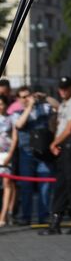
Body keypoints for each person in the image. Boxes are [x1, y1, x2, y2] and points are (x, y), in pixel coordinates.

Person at [40, 76, 71, 235]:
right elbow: (56, 106)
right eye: (61, 88)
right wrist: (45, 97)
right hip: (64, 149)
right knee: (61, 186)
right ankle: (56, 222)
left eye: (66, 88)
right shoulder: (65, 104)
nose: (63, 90)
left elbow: (69, 129)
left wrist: (54, 143)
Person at [12, 85, 56, 225]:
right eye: (23, 97)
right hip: (27, 154)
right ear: (19, 99)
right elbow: (19, 125)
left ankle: (43, 216)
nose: (27, 99)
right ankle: (26, 216)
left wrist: (45, 97)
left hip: (43, 153)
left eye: (28, 95)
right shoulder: (17, 113)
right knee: (26, 187)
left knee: (45, 185)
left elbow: (59, 107)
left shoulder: (43, 108)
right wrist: (29, 107)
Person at [0, 95, 18, 226]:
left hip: (6, 154)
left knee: (7, 183)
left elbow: (15, 138)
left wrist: (10, 154)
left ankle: (4, 214)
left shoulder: (11, 119)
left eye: (1, 104)